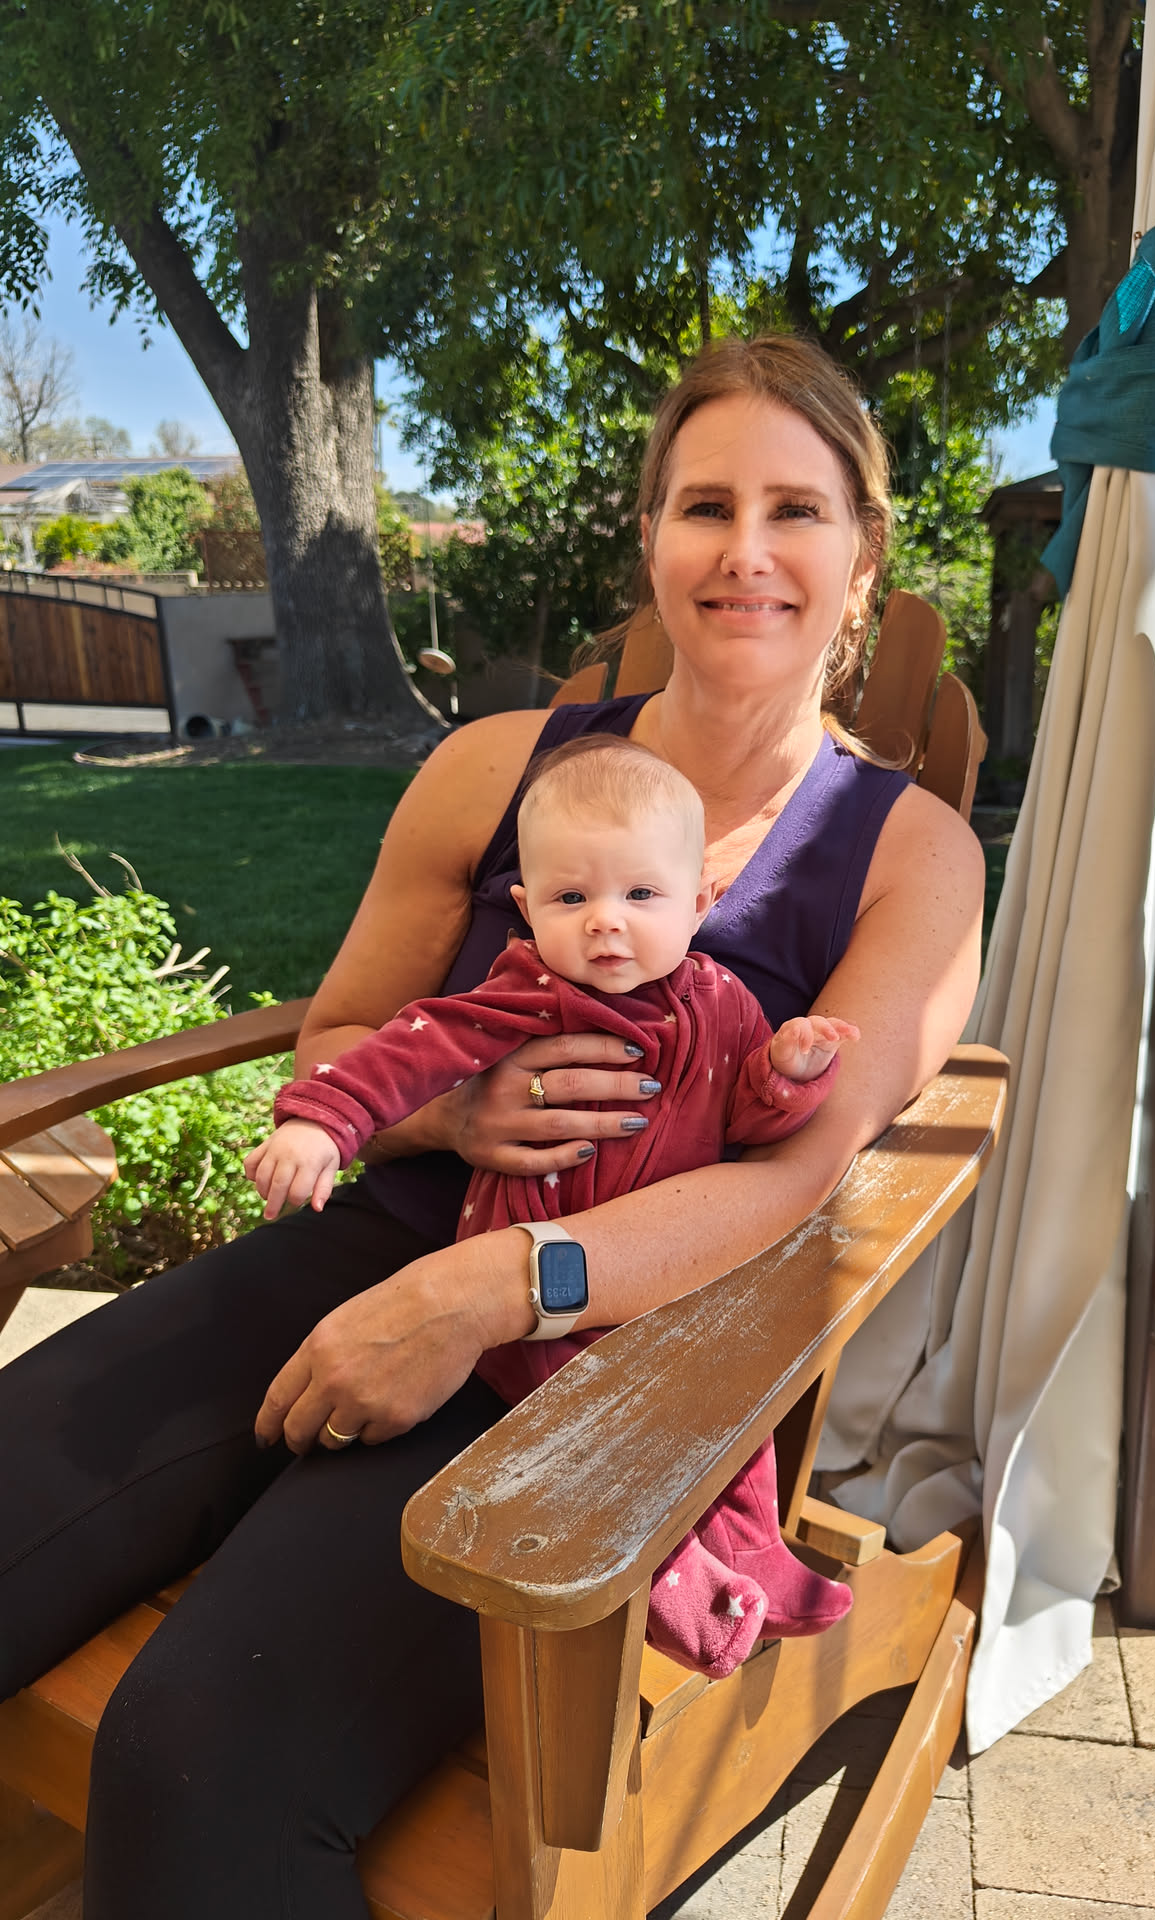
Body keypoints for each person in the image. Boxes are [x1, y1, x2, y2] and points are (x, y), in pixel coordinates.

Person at [0, 333, 984, 1920]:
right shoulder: (493, 772)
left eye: (796, 511)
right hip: (370, 1242)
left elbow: (800, 1179)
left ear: (863, 556)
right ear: (651, 539)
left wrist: (488, 1291)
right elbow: (337, 1039)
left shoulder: (907, 856)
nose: (745, 551)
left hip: (605, 1366)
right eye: (705, 506)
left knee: (198, 1758)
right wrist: (450, 1108)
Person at [245, 731, 859, 1676]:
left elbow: (747, 1121)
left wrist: (787, 1076)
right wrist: (322, 1122)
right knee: (598, 1426)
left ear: (700, 904)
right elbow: (407, 1051)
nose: (607, 923)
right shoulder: (529, 994)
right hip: (533, 1294)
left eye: (641, 896)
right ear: (529, 911)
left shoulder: (726, 1002)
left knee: (729, 1408)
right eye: (573, 899)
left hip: (658, 1276)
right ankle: (674, 1588)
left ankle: (759, 1559)